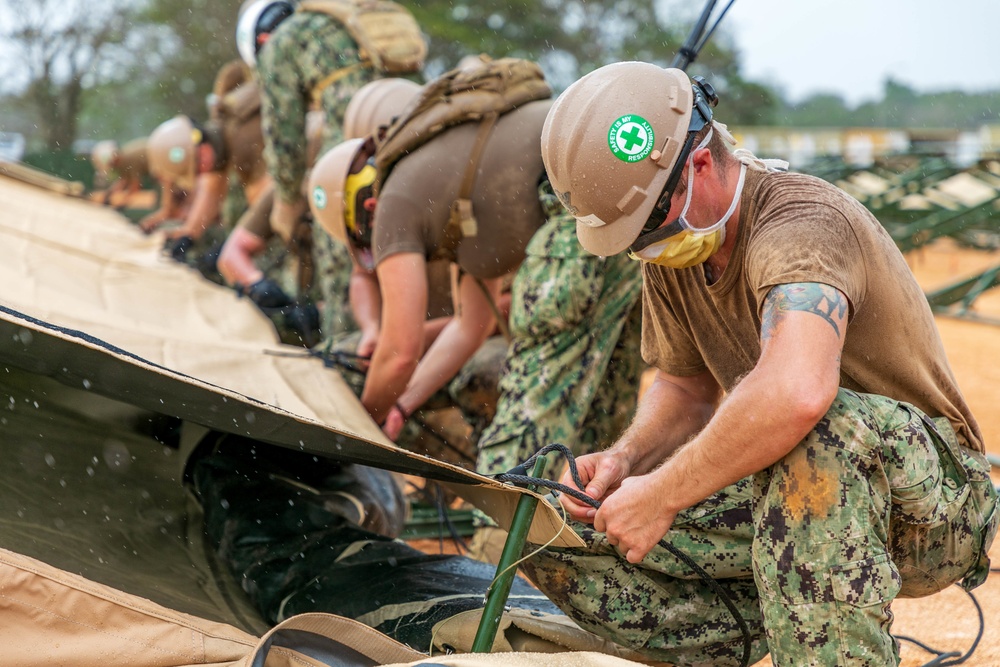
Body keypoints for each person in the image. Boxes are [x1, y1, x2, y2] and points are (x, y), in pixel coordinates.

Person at [525, 61, 1000, 667]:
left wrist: (664, 494)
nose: (644, 249)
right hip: (794, 498)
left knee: (817, 429)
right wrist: (626, 464)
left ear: (698, 164)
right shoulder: (677, 247)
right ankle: (776, 627)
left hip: (929, 509)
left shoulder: (801, 226)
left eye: (646, 227)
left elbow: (798, 394)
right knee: (574, 542)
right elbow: (683, 388)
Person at [307, 59, 644, 504]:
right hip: (627, 197)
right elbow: (471, 325)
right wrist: (403, 406)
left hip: (579, 211)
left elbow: (399, 350)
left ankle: (503, 548)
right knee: (606, 415)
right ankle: (602, 522)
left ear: (361, 211)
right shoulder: (443, 173)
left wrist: (359, 424)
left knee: (512, 468)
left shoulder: (391, 202)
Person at [236, 0, 425, 338]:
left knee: (340, 245)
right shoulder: (351, 22)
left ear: (262, 41)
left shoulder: (283, 43)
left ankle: (343, 348)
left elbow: (284, 135)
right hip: (414, 133)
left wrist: (286, 200)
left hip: (358, 144)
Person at [90, 138, 149, 209]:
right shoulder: (124, 158)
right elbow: (123, 180)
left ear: (113, 160)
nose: (113, 168)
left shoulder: (129, 160)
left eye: (111, 165)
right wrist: (108, 194)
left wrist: (124, 202)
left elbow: (135, 186)